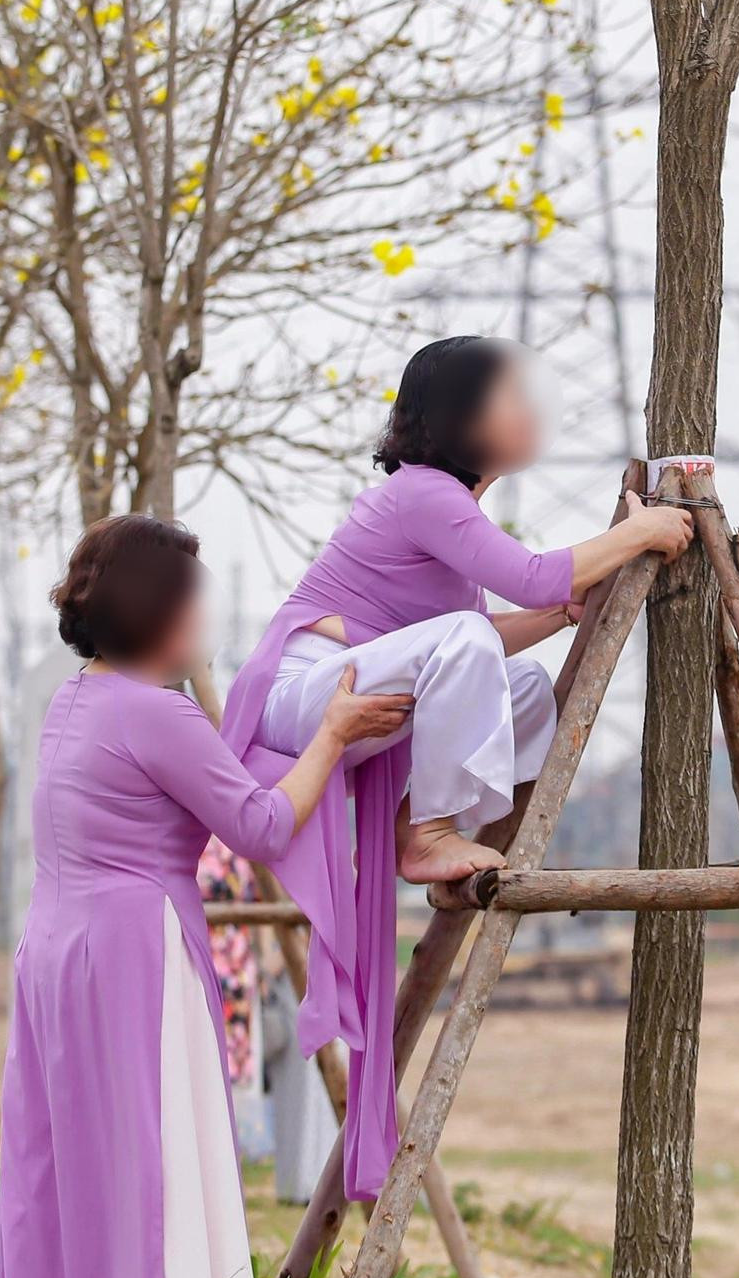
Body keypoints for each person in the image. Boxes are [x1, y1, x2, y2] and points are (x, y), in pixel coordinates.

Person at [0, 514, 410, 1278]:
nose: (204, 615)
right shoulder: (155, 710)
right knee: (147, 1177)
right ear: (161, 609)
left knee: (57, 1178)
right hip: (132, 961)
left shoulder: (74, 700)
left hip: (58, 951)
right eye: (193, 597)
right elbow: (263, 827)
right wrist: (333, 734)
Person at [222, 335, 692, 1202]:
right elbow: (525, 578)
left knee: (526, 694)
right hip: (301, 698)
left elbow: (488, 630)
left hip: (366, 686)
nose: (531, 412)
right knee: (477, 645)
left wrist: (558, 618)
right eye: (509, 397)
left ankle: (426, 825)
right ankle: (428, 834)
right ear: (457, 421)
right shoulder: (422, 496)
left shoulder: (449, 510)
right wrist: (644, 532)